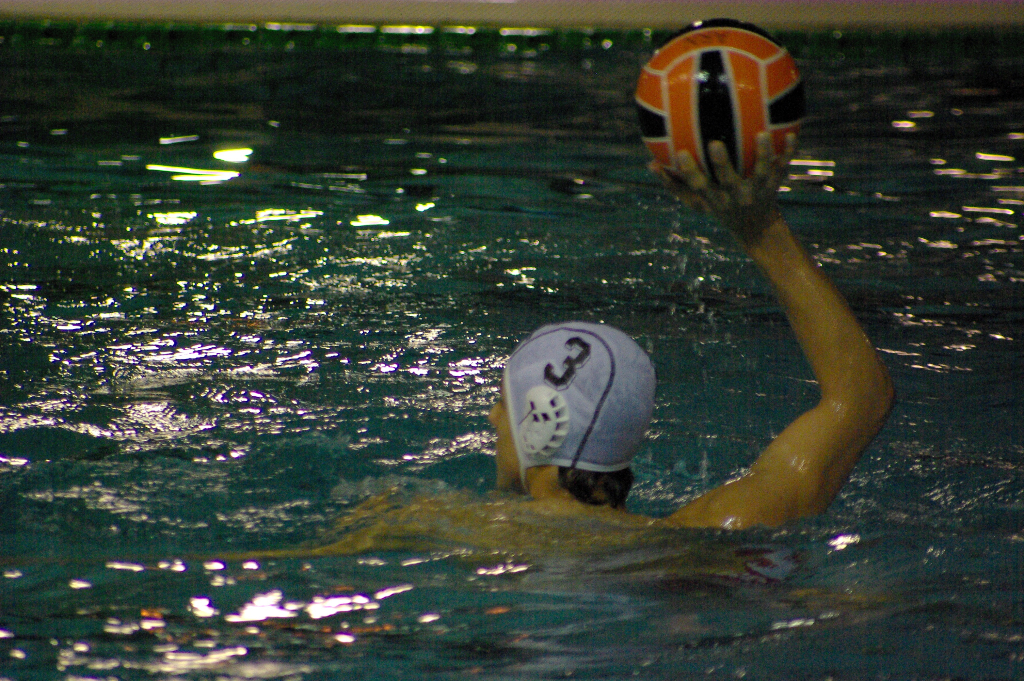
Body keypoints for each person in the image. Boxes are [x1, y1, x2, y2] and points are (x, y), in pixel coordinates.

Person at [489, 131, 894, 530]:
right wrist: (759, 229)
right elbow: (862, 399)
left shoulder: (486, 532)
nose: (493, 417)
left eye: (505, 404)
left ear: (540, 426)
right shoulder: (720, 524)